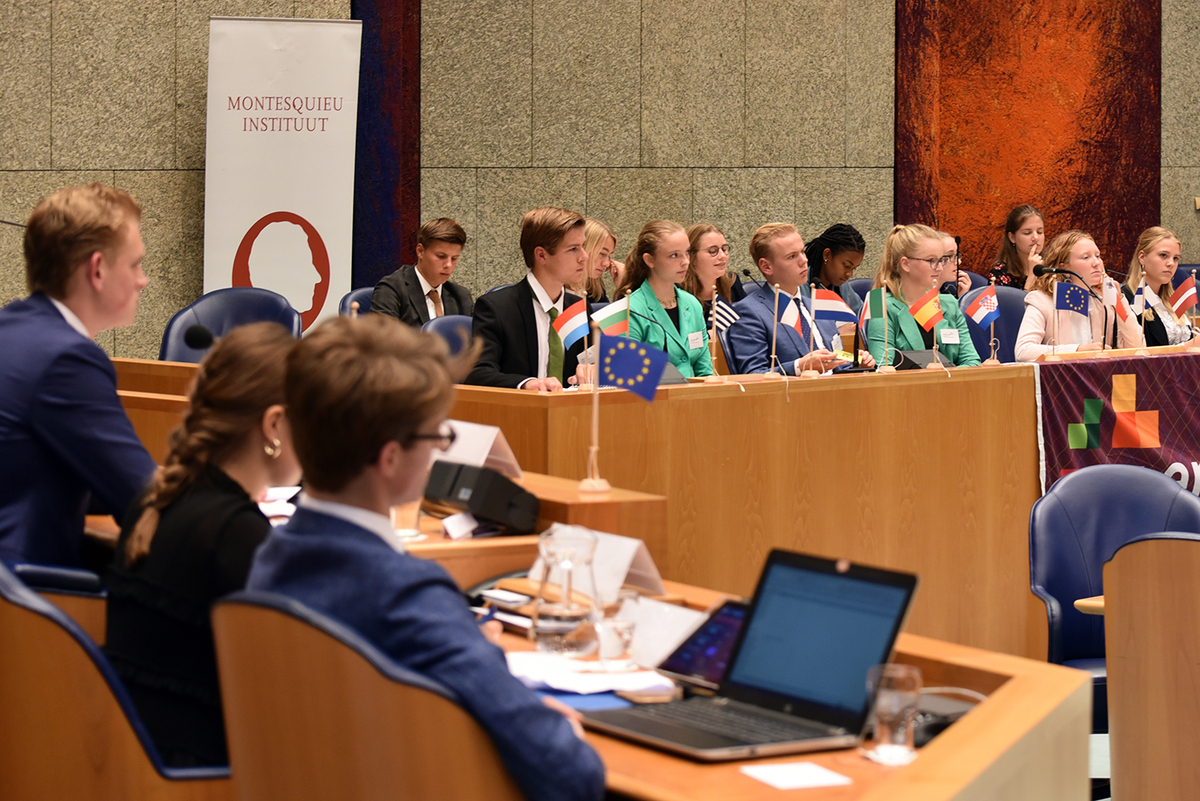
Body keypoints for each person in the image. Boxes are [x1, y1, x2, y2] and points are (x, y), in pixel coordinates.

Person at [246, 315, 606, 801]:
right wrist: (553, 728)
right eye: (438, 436)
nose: (441, 449)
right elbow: (570, 774)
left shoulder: (270, 557)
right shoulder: (406, 594)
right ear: (391, 459)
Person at [103, 323, 300, 767]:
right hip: (203, 777)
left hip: (131, 768)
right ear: (273, 424)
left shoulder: (155, 499)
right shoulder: (237, 535)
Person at [0, 182, 157, 568]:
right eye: (135, 264)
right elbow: (141, 498)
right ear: (98, 269)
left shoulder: (11, 328)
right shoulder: (66, 360)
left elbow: (41, 471)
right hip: (25, 607)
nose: (143, 280)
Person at [467, 207, 592, 391]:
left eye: (583, 246)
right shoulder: (497, 308)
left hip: (569, 415)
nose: (584, 256)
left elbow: (593, 360)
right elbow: (477, 373)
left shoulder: (578, 307)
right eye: (573, 249)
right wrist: (527, 383)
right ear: (541, 255)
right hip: (518, 413)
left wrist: (594, 369)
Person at [728, 223, 873, 375]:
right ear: (766, 266)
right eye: (792, 256)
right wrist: (799, 366)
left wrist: (857, 363)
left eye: (802, 252)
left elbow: (835, 362)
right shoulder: (749, 311)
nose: (804, 260)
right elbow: (752, 375)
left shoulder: (818, 305)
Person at [1014, 230, 1144, 361]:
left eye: (1098, 256)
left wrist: (1118, 302)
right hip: (1060, 378)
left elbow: (1138, 347)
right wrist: (1078, 350)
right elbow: (1023, 351)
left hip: (1099, 378)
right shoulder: (1041, 300)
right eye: (1086, 257)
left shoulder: (1103, 303)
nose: (1096, 263)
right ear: (1064, 268)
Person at [866, 224, 981, 368]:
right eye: (931, 261)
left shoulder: (949, 303)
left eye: (942, 260)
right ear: (906, 264)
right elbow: (882, 368)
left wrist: (946, 380)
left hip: (950, 387)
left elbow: (972, 362)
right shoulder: (878, 302)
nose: (939, 268)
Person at [617, 220, 713, 377]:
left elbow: (705, 371)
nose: (685, 262)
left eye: (687, 252)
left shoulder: (692, 303)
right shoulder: (629, 310)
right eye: (674, 255)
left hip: (694, 398)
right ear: (650, 260)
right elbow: (628, 375)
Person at [370, 217, 474, 326]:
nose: (448, 265)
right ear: (420, 251)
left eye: (454, 258)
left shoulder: (461, 296)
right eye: (441, 256)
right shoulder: (392, 290)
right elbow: (383, 340)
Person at [1123, 227, 1197, 347]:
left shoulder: (1172, 300)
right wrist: (1187, 347)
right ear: (1142, 257)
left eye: (1175, 258)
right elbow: (1140, 352)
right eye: (1163, 255)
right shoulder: (1128, 299)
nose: (1171, 263)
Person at [681, 222, 746, 322]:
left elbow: (747, 322)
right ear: (691, 256)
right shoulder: (677, 291)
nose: (722, 256)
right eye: (713, 251)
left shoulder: (731, 282)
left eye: (724, 249)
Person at [802, 224, 867, 315]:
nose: (850, 274)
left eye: (854, 268)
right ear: (827, 255)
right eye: (846, 265)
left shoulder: (843, 286)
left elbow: (862, 315)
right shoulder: (800, 284)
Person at [989, 205, 1045, 290]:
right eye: (1027, 233)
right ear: (1012, 237)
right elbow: (1020, 303)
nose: (1036, 238)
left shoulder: (1052, 267)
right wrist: (1032, 276)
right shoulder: (999, 273)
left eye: (1040, 232)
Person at [572, 218, 614, 303]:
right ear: (584, 248)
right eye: (602, 254)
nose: (606, 263)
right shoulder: (559, 291)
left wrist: (623, 285)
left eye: (609, 256)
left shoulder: (596, 288)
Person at [937, 232, 972, 298]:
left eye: (957, 255)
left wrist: (962, 298)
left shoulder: (951, 291)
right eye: (950, 256)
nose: (959, 262)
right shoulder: (916, 298)